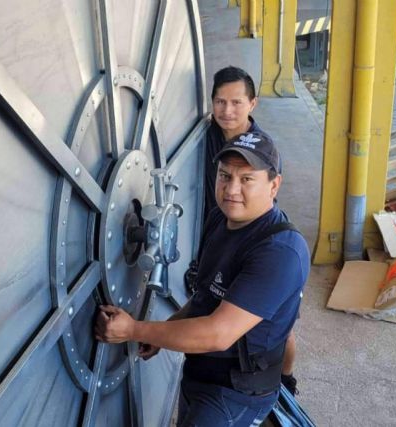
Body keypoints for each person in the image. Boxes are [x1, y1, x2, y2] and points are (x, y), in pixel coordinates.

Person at [96, 132, 310, 427]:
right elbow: (205, 298)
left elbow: (217, 334)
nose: (231, 189)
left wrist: (136, 330)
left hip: (234, 395)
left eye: (246, 179)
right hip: (200, 375)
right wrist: (166, 331)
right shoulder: (219, 220)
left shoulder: (280, 252)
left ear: (274, 185)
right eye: (225, 175)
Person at [202, 66, 298, 395]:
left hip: (246, 238)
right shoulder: (201, 137)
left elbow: (259, 212)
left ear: (252, 104)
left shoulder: (264, 152)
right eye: (220, 102)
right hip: (217, 231)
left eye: (236, 102)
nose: (227, 111)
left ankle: (281, 381)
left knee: (270, 325)